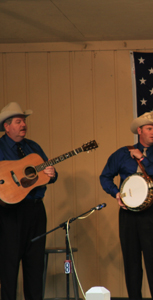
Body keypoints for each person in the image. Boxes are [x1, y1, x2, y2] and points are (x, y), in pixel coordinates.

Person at [100, 112, 153, 300]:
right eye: (149, 129)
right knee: (131, 262)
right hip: (128, 215)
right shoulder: (122, 154)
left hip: (152, 213)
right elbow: (105, 176)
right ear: (139, 131)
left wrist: (142, 158)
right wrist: (116, 193)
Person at [0, 102, 58, 300]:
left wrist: (51, 173)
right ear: (7, 126)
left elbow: (49, 174)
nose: (23, 124)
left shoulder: (33, 147)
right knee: (9, 264)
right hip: (10, 212)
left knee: (35, 264)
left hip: (35, 211)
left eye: (24, 121)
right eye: (18, 121)